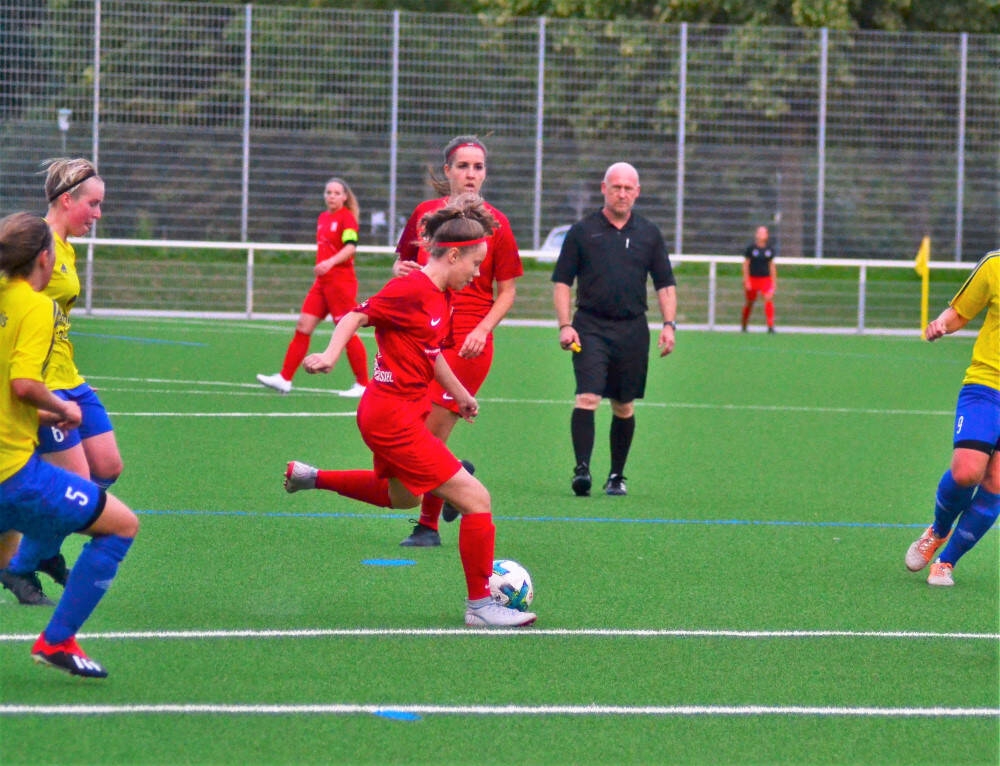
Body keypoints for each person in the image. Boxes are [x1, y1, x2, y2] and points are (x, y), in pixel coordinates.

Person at [283, 194, 536, 628]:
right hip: (392, 417)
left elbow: (431, 354)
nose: (478, 273)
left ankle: (311, 477)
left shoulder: (443, 296)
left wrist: (460, 394)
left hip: (396, 412)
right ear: (452, 255)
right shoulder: (410, 288)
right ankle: (480, 606)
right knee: (476, 499)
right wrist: (329, 354)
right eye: (475, 263)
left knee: (403, 497)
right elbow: (354, 316)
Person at [0, 211, 139, 677]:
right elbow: (23, 384)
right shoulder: (37, 306)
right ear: (45, 258)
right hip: (11, 475)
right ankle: (57, 640)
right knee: (121, 526)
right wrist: (61, 407)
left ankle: (26, 563)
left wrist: (39, 413)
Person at [0, 158, 124, 607]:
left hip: (70, 378)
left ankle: (45, 544)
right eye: (93, 204)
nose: (98, 214)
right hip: (44, 385)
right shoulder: (37, 245)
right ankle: (23, 562)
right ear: (67, 200)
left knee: (108, 467)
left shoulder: (65, 248)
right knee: (78, 488)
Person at [391, 136, 523, 547]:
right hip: (423, 335)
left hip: (468, 343)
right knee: (409, 431)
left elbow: (508, 291)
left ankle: (428, 526)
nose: (471, 174)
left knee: (430, 437)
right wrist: (400, 270)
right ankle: (457, 475)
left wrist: (483, 330)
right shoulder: (424, 214)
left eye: (478, 167)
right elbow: (402, 262)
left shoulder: (497, 223)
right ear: (447, 170)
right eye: (463, 166)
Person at [552, 162, 677, 497]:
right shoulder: (582, 232)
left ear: (637, 192)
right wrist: (565, 325)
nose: (622, 193)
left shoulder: (649, 233)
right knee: (588, 396)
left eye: (628, 188)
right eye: (616, 187)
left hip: (633, 330)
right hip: (589, 327)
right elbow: (562, 282)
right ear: (603, 188)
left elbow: (664, 283)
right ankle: (582, 471)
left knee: (623, 405)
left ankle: (617, 475)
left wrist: (669, 325)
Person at [904, 249, 999, 587]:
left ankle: (946, 562)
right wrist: (943, 324)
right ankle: (938, 530)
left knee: (996, 483)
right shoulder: (995, 265)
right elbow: (960, 312)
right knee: (966, 472)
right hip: (986, 386)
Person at [257, 177, 369, 397]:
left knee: (346, 330)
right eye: (328, 192)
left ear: (344, 197)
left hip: (340, 283)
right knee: (303, 325)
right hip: (322, 283)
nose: (331, 196)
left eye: (336, 193)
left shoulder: (346, 218)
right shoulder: (323, 218)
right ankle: (284, 378)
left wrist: (330, 262)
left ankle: (363, 384)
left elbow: (350, 247)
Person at [741, 225, 777, 333]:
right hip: (753, 279)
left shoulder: (769, 250)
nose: (761, 235)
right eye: (759, 232)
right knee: (750, 302)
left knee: (768, 298)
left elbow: (772, 266)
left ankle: (770, 326)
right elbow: (746, 264)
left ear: (767, 235)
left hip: (765, 279)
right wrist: (746, 280)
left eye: (764, 233)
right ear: (756, 235)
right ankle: (744, 324)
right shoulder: (751, 249)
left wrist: (774, 282)